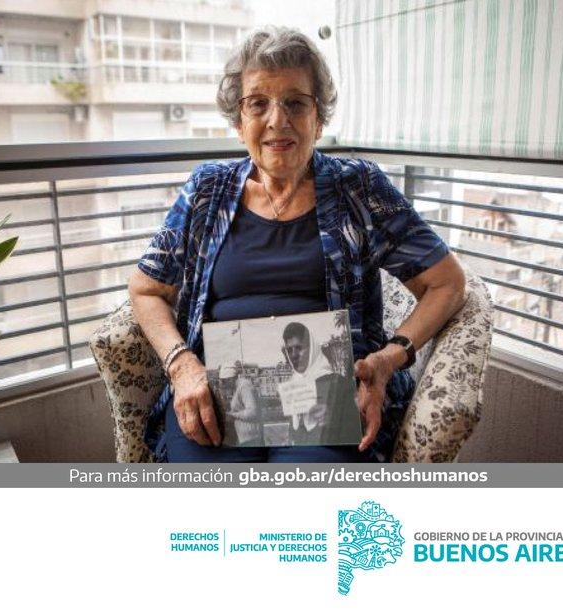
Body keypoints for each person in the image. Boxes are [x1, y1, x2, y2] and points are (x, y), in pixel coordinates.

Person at [128, 26, 466, 463]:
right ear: (239, 122)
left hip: (326, 397)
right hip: (219, 394)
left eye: (295, 103)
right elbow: (146, 289)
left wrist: (389, 359)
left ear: (318, 119)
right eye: (258, 103)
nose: (277, 120)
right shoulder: (207, 190)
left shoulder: (358, 187)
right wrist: (182, 366)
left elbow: (447, 283)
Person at [278, 322, 361, 446]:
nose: (294, 355)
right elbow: (295, 433)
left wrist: (332, 420)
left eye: (299, 348)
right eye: (289, 350)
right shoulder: (292, 387)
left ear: (312, 349)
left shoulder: (338, 383)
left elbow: (353, 431)